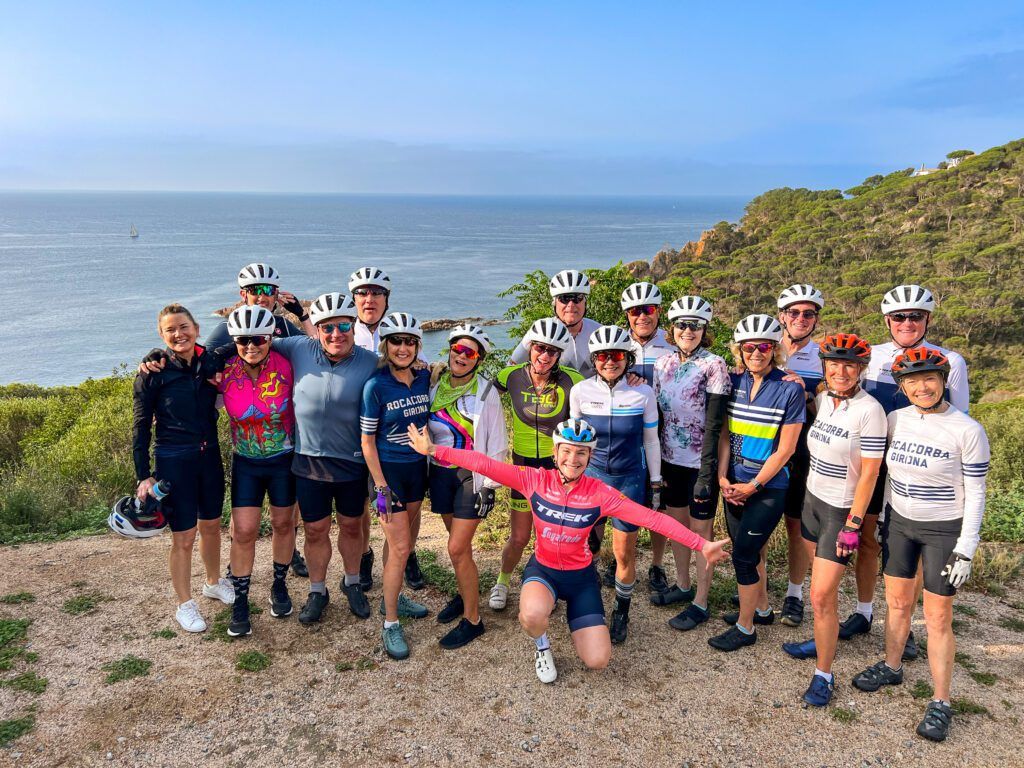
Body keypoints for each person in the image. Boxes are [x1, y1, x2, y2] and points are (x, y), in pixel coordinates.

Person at [405, 418, 731, 683]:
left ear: (590, 458)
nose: (572, 460)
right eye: (566, 451)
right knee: (531, 615)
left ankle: (576, 619)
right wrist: (434, 449)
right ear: (555, 451)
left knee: (598, 660)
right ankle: (542, 645)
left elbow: (650, 518)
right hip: (544, 570)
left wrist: (701, 544)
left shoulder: (600, 493)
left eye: (581, 454)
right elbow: (484, 464)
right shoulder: (534, 480)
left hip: (580, 579)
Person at [851, 347, 989, 743]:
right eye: (912, 381)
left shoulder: (967, 430)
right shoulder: (896, 419)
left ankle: (942, 700)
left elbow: (977, 494)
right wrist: (886, 521)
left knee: (938, 618)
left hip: (943, 530)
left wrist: (966, 546)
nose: (922, 387)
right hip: (900, 524)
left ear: (944, 381)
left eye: (929, 379)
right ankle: (892, 665)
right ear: (903, 387)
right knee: (896, 603)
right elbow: (885, 474)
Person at [845, 285, 970, 656]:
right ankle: (864, 612)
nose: (907, 323)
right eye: (899, 317)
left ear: (928, 319)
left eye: (915, 316)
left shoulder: (951, 361)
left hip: (918, 469)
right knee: (868, 541)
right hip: (871, 463)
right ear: (887, 320)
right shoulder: (875, 355)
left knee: (908, 552)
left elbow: (959, 422)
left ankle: (906, 626)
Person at [779, 334, 886, 707]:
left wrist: (854, 524)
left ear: (861, 370)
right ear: (825, 367)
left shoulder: (870, 410)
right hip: (812, 501)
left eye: (850, 366)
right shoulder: (823, 401)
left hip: (841, 511)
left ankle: (824, 673)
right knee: (820, 588)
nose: (841, 371)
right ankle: (823, 636)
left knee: (821, 594)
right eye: (835, 365)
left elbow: (871, 474)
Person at [272, 292, 379, 624]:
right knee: (315, 530)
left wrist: (425, 367)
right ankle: (317, 590)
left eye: (344, 326)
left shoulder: (371, 360)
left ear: (353, 325)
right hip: (308, 460)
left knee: (351, 526)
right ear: (316, 329)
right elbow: (250, 344)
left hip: (351, 461)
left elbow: (407, 365)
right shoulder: (298, 348)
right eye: (327, 328)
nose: (336, 334)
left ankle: (352, 583)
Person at [205, 262, 313, 579]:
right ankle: (237, 563)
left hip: (283, 434)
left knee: (286, 513)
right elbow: (203, 362)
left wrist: (302, 315)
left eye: (269, 290)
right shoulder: (226, 328)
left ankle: (289, 551)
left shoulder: (283, 325)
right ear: (243, 294)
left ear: (276, 294)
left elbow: (314, 351)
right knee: (246, 521)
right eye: (255, 290)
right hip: (246, 434)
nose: (262, 296)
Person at [132, 304, 233, 633]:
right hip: (174, 460)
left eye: (184, 327)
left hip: (210, 456)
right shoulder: (153, 374)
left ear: (197, 328)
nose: (179, 334)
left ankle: (213, 582)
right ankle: (184, 604)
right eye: (171, 330)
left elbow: (245, 343)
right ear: (162, 336)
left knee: (213, 526)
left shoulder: (210, 360)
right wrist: (143, 475)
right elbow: (141, 426)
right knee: (183, 536)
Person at [710, 314, 806, 652]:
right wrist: (723, 477)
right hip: (734, 482)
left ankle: (746, 627)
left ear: (774, 348)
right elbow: (725, 435)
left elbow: (787, 449)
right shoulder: (734, 383)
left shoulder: (789, 388)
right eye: (749, 347)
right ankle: (761, 608)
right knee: (747, 552)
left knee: (745, 557)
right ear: (739, 350)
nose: (756, 353)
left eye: (764, 346)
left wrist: (754, 486)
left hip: (769, 486)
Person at [569, 325, 661, 644]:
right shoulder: (580, 392)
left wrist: (656, 482)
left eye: (618, 355)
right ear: (594, 360)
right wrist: (570, 480)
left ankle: (622, 610)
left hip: (629, 480)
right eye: (603, 356)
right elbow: (574, 443)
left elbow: (651, 441)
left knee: (624, 554)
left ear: (628, 358)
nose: (611, 362)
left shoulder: (643, 393)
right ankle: (587, 600)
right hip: (591, 479)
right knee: (585, 547)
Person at [214, 307, 300, 637]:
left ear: (271, 338)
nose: (252, 346)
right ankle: (241, 602)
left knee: (282, 523)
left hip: (283, 459)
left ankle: (279, 585)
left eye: (259, 339)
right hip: (246, 461)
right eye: (244, 340)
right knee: (244, 531)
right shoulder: (223, 371)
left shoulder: (287, 366)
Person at [488, 318, 583, 611]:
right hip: (523, 466)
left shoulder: (572, 380)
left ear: (559, 355)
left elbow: (600, 393)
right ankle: (503, 581)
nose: (544, 356)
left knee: (551, 535)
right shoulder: (510, 376)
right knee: (518, 536)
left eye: (552, 351)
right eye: (540, 348)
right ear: (529, 347)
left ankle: (548, 585)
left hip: (558, 468)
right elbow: (476, 390)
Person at [651, 296, 731, 632]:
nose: (688, 330)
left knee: (702, 532)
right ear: (672, 328)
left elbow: (715, 425)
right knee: (678, 529)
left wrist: (710, 474)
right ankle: (683, 585)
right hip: (670, 459)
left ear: (704, 330)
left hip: (701, 463)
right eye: (682, 324)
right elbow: (655, 413)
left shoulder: (714, 365)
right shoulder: (663, 363)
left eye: (695, 325)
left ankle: (700, 600)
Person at [427, 324, 508, 649]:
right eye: (457, 350)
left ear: (479, 359)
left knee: (457, 548)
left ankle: (473, 620)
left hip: (469, 476)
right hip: (439, 474)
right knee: (457, 545)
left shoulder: (486, 391)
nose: (461, 356)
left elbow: (498, 443)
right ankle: (465, 593)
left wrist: (489, 486)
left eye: (469, 353)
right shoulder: (435, 384)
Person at [359, 312, 433, 660]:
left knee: (402, 545)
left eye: (409, 342)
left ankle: (396, 595)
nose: (403, 348)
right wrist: (380, 485)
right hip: (388, 477)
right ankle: (389, 623)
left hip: (417, 472)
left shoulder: (422, 379)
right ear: (385, 346)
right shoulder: (376, 385)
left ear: (417, 346)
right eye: (396, 342)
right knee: (401, 547)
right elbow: (367, 442)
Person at [619, 281, 676, 593]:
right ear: (627, 314)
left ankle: (656, 564)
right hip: (624, 436)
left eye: (649, 309)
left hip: (663, 437)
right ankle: (617, 558)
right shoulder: (614, 345)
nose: (642, 316)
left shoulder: (673, 346)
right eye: (635, 311)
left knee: (660, 504)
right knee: (618, 498)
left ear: (659, 312)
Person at [776, 284, 826, 628]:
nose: (801, 319)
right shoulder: (762, 345)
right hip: (761, 448)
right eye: (794, 312)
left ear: (816, 319)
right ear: (782, 316)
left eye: (808, 313)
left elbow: (832, 405)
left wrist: (807, 392)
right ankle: (757, 585)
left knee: (796, 525)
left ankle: (794, 593)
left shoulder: (823, 356)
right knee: (759, 524)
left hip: (803, 452)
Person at [348, 266, 392, 593]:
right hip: (354, 431)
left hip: (391, 433)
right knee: (361, 505)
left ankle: (405, 555)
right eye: (363, 293)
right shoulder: (344, 332)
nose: (369, 299)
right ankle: (365, 557)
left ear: (386, 299)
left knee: (396, 500)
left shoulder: (398, 330)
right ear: (354, 299)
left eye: (376, 293)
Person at [509, 269, 601, 377]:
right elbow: (512, 367)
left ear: (585, 302)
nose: (571, 305)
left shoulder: (598, 331)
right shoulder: (541, 331)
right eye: (564, 299)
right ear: (554, 303)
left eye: (577, 298)